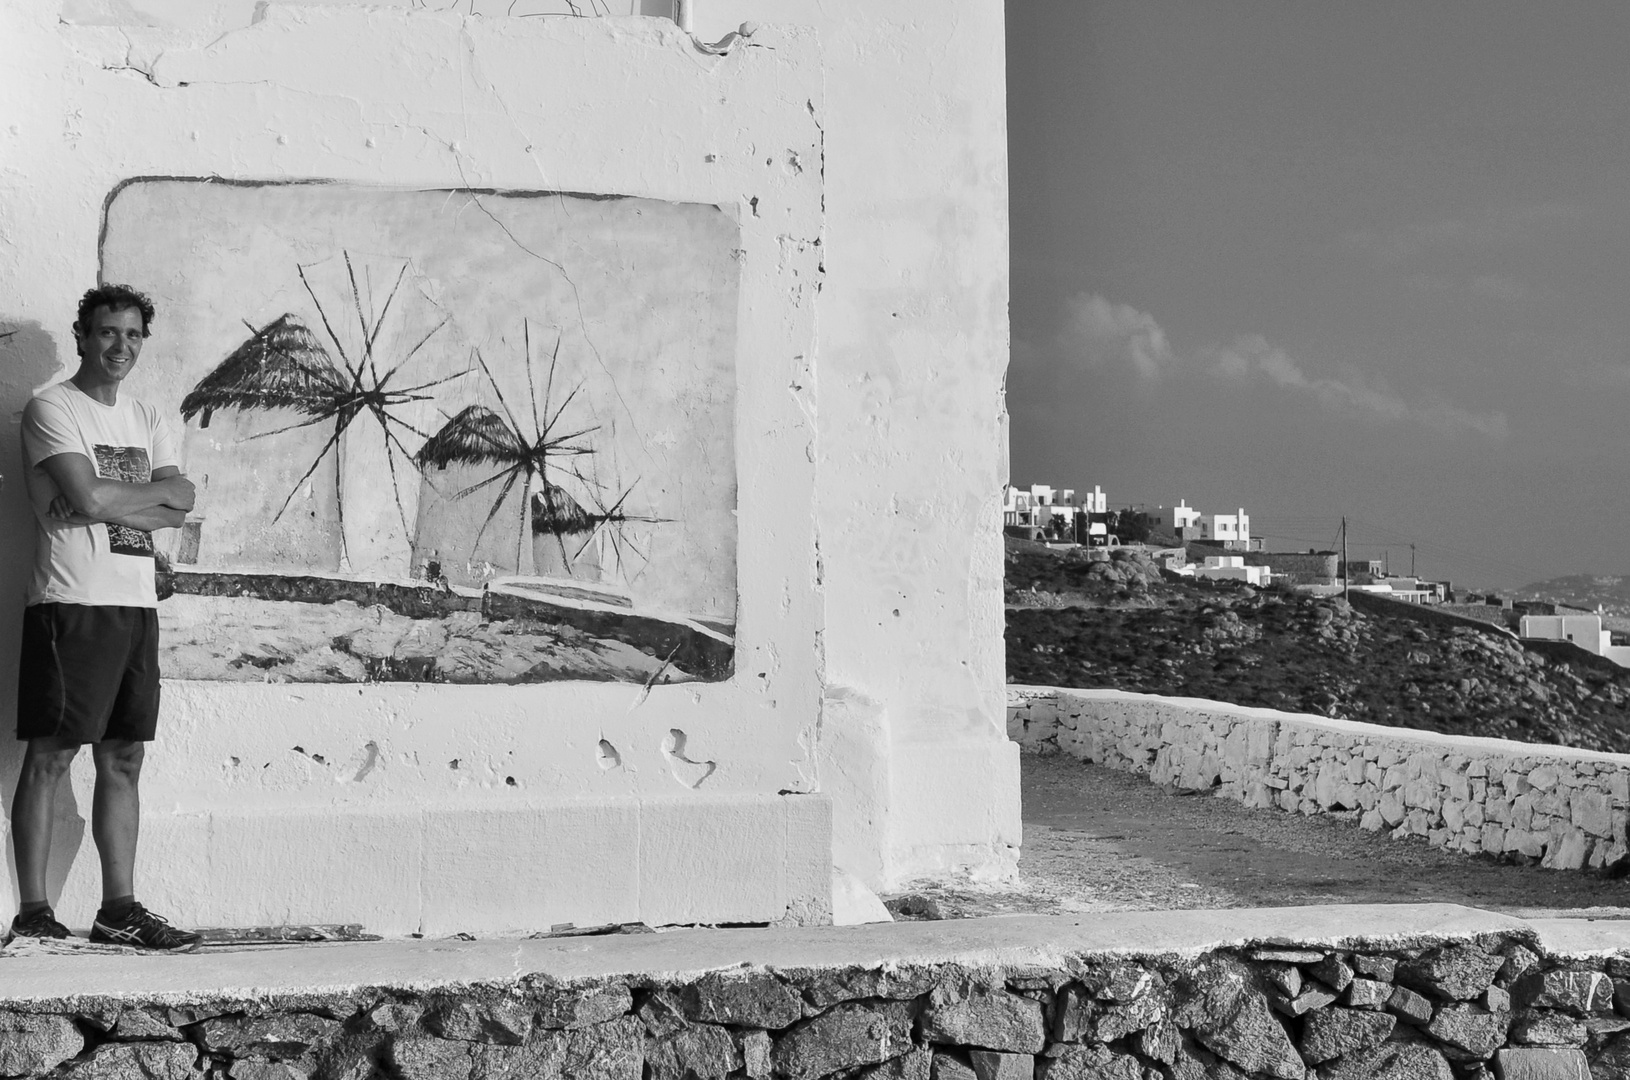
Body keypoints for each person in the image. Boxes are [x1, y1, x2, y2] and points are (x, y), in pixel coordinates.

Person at [7, 284, 201, 950]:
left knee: (123, 758)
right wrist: (134, 500)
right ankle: (33, 912)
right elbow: (92, 492)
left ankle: (118, 909)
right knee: (50, 757)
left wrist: (104, 504)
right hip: (72, 604)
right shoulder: (51, 408)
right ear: (84, 336)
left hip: (136, 604)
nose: (121, 346)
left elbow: (180, 501)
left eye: (133, 335)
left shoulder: (148, 417)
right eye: (108, 332)